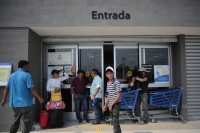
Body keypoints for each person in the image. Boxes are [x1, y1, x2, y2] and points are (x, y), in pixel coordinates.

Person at [1, 60, 44, 133]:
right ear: (24, 66)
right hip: (25, 103)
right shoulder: (27, 75)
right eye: (28, 66)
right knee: (26, 123)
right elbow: (32, 88)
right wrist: (39, 98)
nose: (28, 67)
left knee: (15, 122)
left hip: (15, 104)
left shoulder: (12, 75)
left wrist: (4, 99)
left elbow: (7, 88)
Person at [103, 66, 121, 133]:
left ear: (113, 73)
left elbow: (118, 95)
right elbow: (109, 95)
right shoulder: (108, 83)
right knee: (114, 120)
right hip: (111, 104)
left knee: (115, 120)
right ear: (106, 75)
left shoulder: (116, 82)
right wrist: (105, 105)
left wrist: (111, 105)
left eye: (110, 73)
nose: (109, 75)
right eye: (108, 74)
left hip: (115, 103)